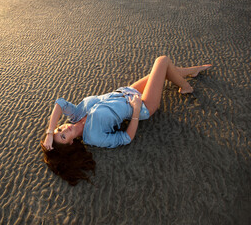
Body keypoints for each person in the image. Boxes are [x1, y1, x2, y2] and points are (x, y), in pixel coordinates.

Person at [40, 56, 211, 185]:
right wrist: (136, 111)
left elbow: (60, 103)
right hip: (142, 105)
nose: (64, 129)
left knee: (162, 72)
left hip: (126, 91)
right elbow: (125, 139)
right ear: (70, 143)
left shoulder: (75, 114)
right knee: (162, 61)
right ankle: (186, 88)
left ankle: (193, 71)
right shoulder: (93, 136)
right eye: (63, 136)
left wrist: (50, 133)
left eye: (59, 129)